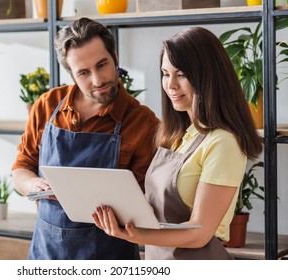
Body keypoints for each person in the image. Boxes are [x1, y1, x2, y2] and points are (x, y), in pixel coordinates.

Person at [92, 26, 263, 260]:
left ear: (208, 76)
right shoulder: (177, 135)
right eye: (165, 73)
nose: (170, 84)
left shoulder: (223, 142)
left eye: (181, 74)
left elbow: (199, 233)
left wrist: (134, 235)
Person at [11, 17, 160, 260]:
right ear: (71, 73)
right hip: (46, 255)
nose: (97, 80)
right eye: (84, 72)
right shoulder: (47, 106)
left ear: (115, 56)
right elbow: (21, 168)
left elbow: (148, 206)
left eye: (102, 65)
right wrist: (34, 185)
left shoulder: (143, 123)